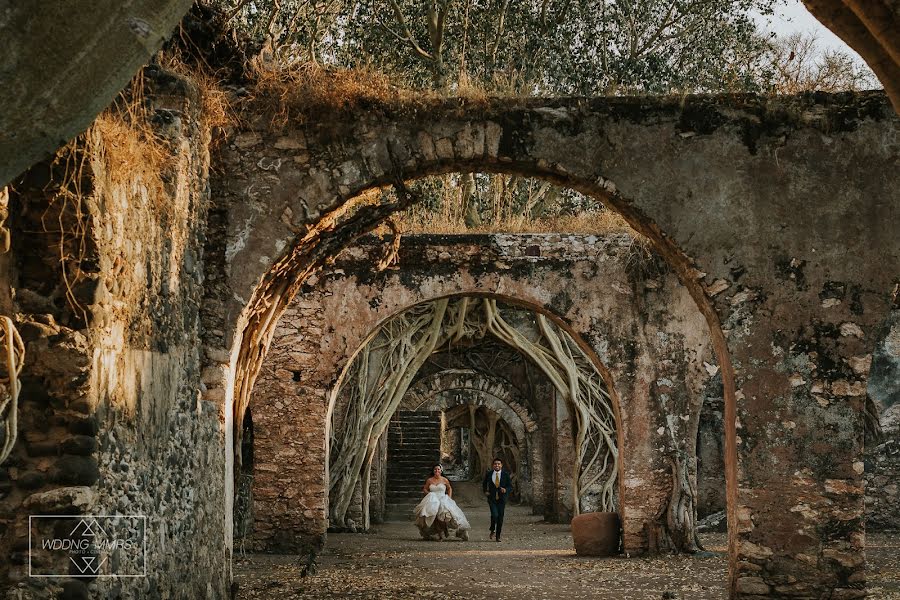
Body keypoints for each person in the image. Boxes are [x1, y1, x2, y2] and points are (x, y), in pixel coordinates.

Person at [413, 464, 471, 541]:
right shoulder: (429, 480)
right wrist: (429, 494)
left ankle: (449, 531)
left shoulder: (444, 480)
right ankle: (440, 534)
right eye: (435, 469)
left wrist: (449, 497)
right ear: (433, 471)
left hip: (443, 499)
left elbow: (449, 488)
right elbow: (425, 489)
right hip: (432, 500)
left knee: (446, 516)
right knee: (434, 516)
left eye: (438, 469)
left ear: (441, 470)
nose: (437, 471)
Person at [482, 458, 512, 542]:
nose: (497, 465)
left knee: (500, 517)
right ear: (493, 465)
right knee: (495, 514)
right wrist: (485, 491)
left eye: (499, 464)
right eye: (495, 464)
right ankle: (492, 529)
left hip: (502, 499)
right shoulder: (489, 474)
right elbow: (484, 484)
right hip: (492, 498)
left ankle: (498, 535)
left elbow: (510, 486)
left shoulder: (505, 475)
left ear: (501, 465)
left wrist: (505, 490)